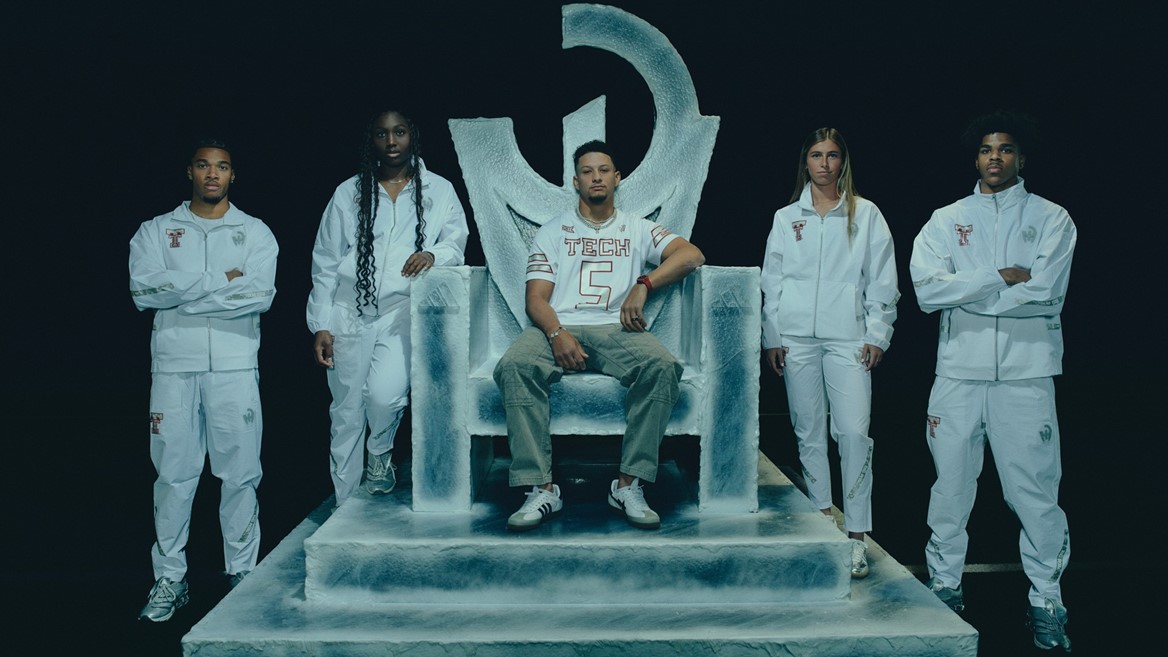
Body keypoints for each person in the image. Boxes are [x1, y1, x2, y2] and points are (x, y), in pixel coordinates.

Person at [911, 110, 1076, 652]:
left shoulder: (1052, 218)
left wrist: (967, 293)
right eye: (986, 149)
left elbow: (1046, 294)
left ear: (1021, 158)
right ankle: (944, 587)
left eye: (1005, 149)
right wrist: (999, 277)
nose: (995, 158)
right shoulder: (946, 219)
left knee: (1034, 493)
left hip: (1027, 376)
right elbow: (927, 292)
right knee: (951, 487)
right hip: (958, 373)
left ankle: (1046, 601)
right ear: (976, 157)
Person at [493, 140, 705, 532]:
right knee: (515, 365)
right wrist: (557, 332)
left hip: (614, 327)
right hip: (558, 323)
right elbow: (535, 299)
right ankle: (541, 488)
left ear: (617, 178)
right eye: (587, 171)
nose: (596, 177)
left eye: (604, 170)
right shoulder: (553, 231)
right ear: (576, 181)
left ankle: (627, 485)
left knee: (661, 367)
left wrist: (644, 284)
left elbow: (691, 255)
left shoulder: (638, 227)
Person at [129, 138, 278, 621]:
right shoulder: (155, 231)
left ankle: (242, 574)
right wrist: (219, 280)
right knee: (173, 475)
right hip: (174, 368)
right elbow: (145, 289)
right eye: (203, 165)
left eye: (222, 167)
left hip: (235, 367)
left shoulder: (255, 233)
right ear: (189, 171)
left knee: (240, 474)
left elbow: (259, 295)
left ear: (233, 175)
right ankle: (170, 579)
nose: (213, 174)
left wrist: (184, 295)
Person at [308, 109, 468, 506]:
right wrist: (320, 323)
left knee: (385, 396)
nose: (391, 141)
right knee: (346, 412)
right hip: (348, 311)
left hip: (401, 311)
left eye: (399, 132)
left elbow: (456, 241)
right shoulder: (348, 192)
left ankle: (379, 452)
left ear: (412, 136)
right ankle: (344, 503)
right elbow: (325, 260)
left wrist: (433, 254)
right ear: (372, 141)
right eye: (382, 134)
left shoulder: (439, 189)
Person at [760, 128, 899, 579]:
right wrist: (772, 335)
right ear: (806, 162)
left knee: (854, 434)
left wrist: (877, 333)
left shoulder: (866, 214)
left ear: (843, 162)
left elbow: (883, 280)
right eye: (816, 155)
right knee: (808, 433)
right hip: (796, 339)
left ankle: (857, 536)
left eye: (832, 155)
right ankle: (823, 522)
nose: (824, 163)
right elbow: (772, 281)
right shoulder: (787, 217)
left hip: (848, 339)